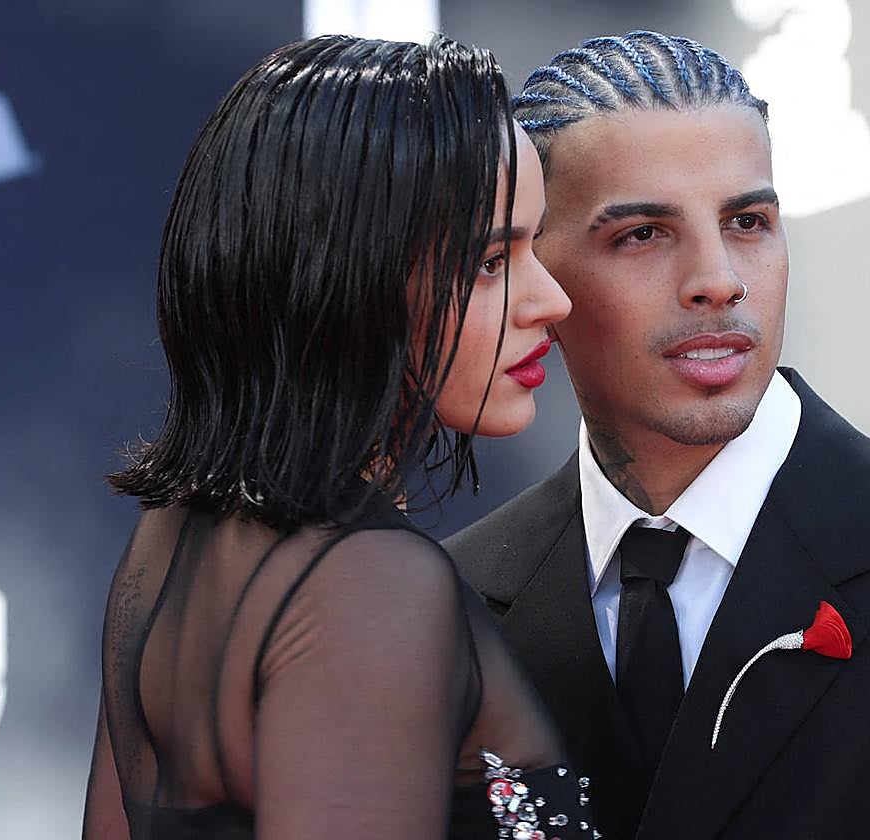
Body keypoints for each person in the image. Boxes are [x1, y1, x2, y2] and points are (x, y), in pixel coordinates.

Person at [446, 30, 870, 839]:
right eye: (642, 234)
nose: (717, 281)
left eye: (748, 221)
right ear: (537, 272)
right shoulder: (448, 601)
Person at [81, 34, 600, 839]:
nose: (552, 301)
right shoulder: (368, 584)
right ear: (349, 278)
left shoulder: (173, 539)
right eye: (493, 262)